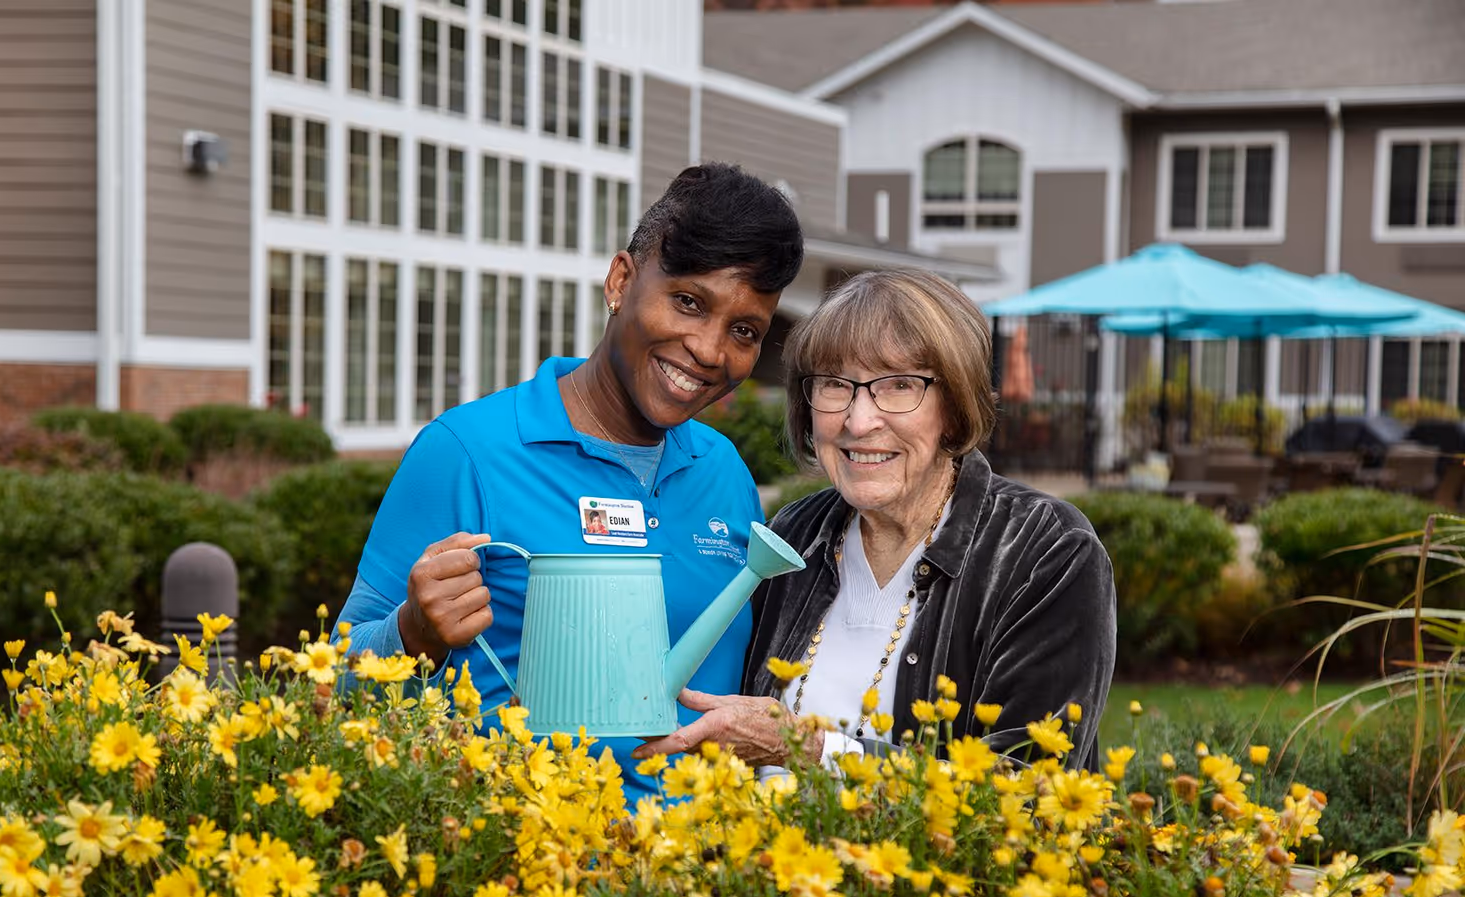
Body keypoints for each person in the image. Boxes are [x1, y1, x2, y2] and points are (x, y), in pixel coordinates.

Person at [338, 162, 805, 804]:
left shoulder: (725, 473)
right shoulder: (466, 451)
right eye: (688, 302)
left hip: (702, 880)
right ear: (621, 281)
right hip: (528, 872)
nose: (709, 350)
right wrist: (411, 635)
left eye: (744, 331)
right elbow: (327, 691)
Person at [634, 268, 1115, 773]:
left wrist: (809, 751)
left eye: (899, 385)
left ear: (953, 406)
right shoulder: (792, 536)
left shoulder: (1045, 550)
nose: (859, 422)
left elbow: (1032, 794)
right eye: (836, 386)